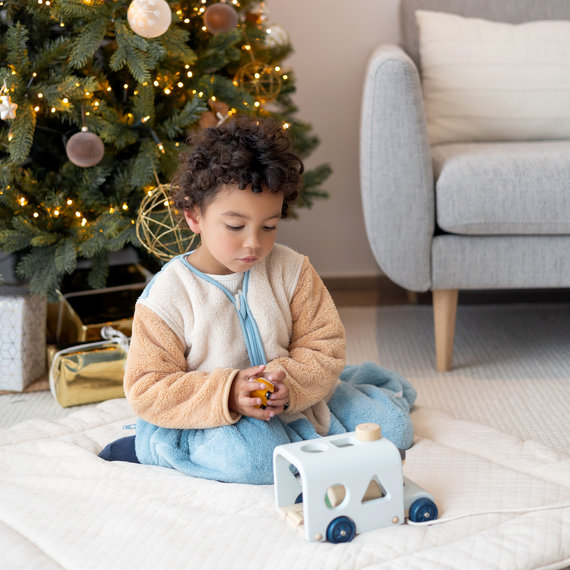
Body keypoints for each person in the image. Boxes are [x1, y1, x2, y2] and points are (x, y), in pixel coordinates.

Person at [99, 117, 417, 484]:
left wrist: (289, 384)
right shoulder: (167, 297)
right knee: (260, 462)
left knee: (393, 430)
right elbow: (147, 387)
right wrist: (229, 394)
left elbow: (324, 347)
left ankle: (303, 431)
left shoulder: (293, 270)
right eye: (235, 226)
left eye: (269, 226)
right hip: (215, 416)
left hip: (297, 399)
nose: (254, 242)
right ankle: (152, 448)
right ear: (193, 216)